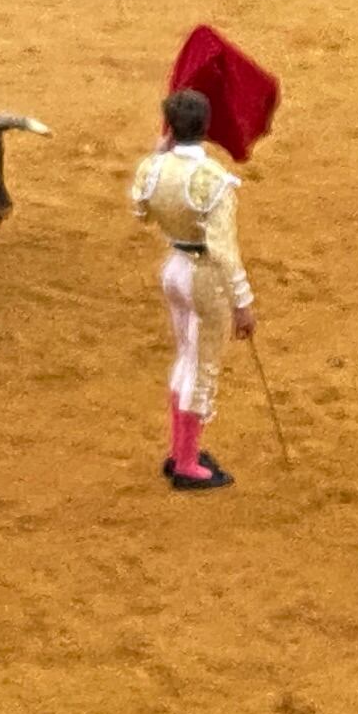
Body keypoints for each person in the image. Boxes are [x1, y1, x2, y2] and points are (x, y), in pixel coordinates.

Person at [132, 86, 256, 491]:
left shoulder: (153, 169)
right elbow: (223, 249)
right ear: (206, 127)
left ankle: (180, 450)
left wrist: (158, 155)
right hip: (204, 279)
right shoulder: (213, 180)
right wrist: (243, 302)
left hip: (174, 269)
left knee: (186, 356)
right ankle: (186, 463)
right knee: (200, 364)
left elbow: (141, 211)